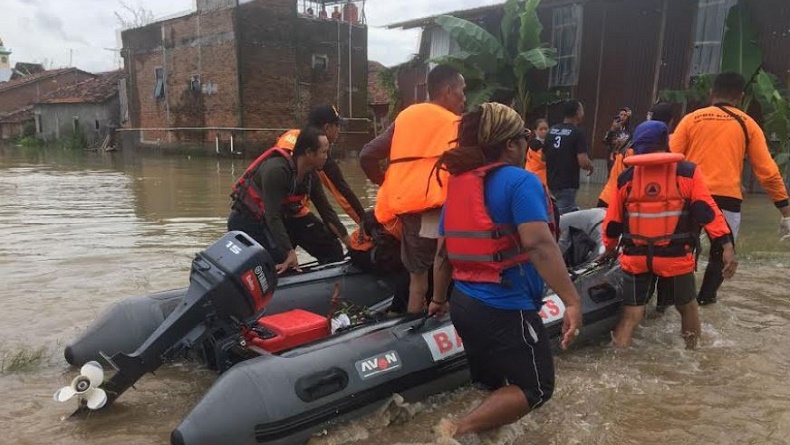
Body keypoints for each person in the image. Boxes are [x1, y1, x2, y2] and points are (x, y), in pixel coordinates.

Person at [427, 103, 583, 439]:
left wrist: (438, 299)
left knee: (492, 386)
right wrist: (572, 301)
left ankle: (477, 434)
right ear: (510, 144)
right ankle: (455, 432)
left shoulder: (460, 184)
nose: (528, 143)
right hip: (504, 307)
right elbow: (539, 245)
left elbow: (442, 254)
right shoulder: (521, 182)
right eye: (524, 137)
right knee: (536, 388)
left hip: (463, 304)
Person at [601, 121, 737, 349]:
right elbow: (706, 211)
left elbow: (612, 223)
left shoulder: (626, 178)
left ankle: (618, 358)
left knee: (631, 313)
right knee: (688, 307)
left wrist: (609, 248)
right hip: (674, 257)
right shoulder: (687, 172)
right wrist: (726, 245)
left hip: (636, 257)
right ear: (666, 143)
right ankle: (694, 355)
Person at [670, 72, 790, 305]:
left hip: (689, 196)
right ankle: (706, 302)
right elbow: (768, 172)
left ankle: (673, 304)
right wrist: (785, 211)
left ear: (712, 93)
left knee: (679, 251)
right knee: (721, 255)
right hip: (727, 200)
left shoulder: (691, 119)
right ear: (741, 96)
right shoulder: (748, 124)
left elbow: (671, 159)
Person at [360, 64, 465, 314]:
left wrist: (386, 182)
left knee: (416, 277)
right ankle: (432, 315)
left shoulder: (404, 118)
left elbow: (367, 155)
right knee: (439, 269)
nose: (464, 98)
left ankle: (409, 318)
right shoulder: (457, 124)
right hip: (437, 208)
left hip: (407, 208)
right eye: (462, 90)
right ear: (448, 91)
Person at [228, 126, 351, 273]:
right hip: (250, 221)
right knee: (282, 263)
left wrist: (349, 243)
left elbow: (327, 212)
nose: (327, 157)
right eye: (323, 152)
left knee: (332, 249)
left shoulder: (311, 175)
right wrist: (289, 252)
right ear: (309, 153)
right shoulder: (277, 171)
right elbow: (272, 216)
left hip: (283, 217)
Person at [275, 105, 366, 227]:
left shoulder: (288, 136)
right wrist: (365, 222)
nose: (339, 131)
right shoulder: (318, 155)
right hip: (288, 214)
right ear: (327, 128)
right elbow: (342, 192)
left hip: (267, 209)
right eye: (337, 126)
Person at [598, 102, 675, 208]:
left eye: (625, 115)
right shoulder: (664, 147)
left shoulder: (635, 138)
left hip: (611, 198)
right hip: (617, 202)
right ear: (670, 122)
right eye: (621, 115)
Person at [544, 99, 594, 214]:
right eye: (582, 110)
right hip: (568, 184)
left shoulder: (551, 130)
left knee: (554, 211)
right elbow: (583, 162)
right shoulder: (578, 133)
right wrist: (590, 166)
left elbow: (543, 157)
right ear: (577, 113)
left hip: (551, 182)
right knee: (563, 216)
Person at [603, 107, 632, 174]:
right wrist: (612, 129)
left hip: (624, 159)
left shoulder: (630, 131)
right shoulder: (613, 129)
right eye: (621, 115)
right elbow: (606, 141)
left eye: (625, 115)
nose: (622, 117)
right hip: (613, 158)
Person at [525, 118, 548, 187]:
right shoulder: (534, 144)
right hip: (535, 178)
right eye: (541, 129)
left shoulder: (547, 143)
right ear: (535, 131)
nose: (544, 131)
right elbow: (543, 161)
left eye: (546, 129)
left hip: (539, 178)